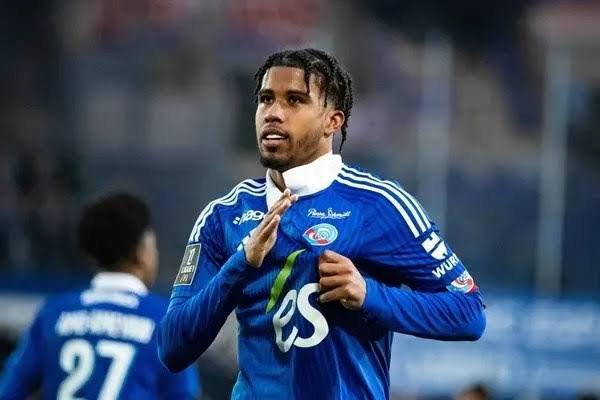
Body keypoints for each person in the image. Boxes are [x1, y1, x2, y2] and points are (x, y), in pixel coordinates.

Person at [158, 48, 486, 399]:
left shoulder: (379, 205)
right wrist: (241, 264)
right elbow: (172, 348)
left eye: (294, 100)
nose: (273, 113)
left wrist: (368, 294)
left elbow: (468, 313)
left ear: (333, 121)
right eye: (266, 99)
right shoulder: (224, 215)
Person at [0, 192, 200, 399]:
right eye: (153, 244)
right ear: (141, 251)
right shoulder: (166, 321)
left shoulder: (53, 314)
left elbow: (9, 391)